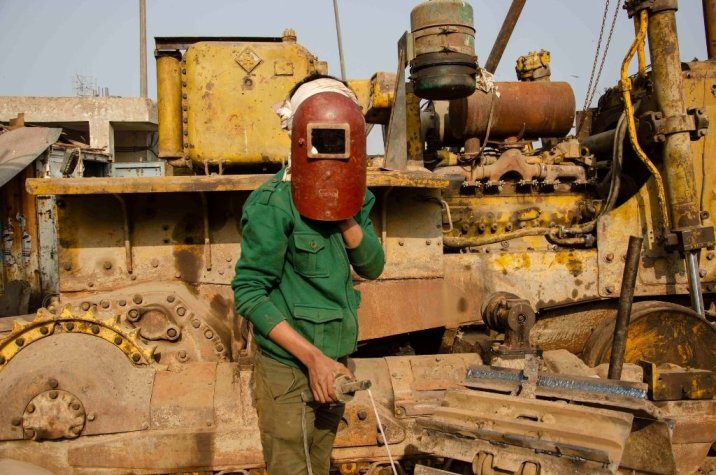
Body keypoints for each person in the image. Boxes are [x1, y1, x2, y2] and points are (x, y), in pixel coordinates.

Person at [231, 76, 385, 475]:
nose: (331, 154)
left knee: (318, 466)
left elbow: (372, 266)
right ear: (300, 139)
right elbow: (249, 293)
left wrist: (342, 207)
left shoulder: (359, 197)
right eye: (323, 140)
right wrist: (313, 358)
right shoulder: (273, 205)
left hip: (333, 366)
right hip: (291, 370)